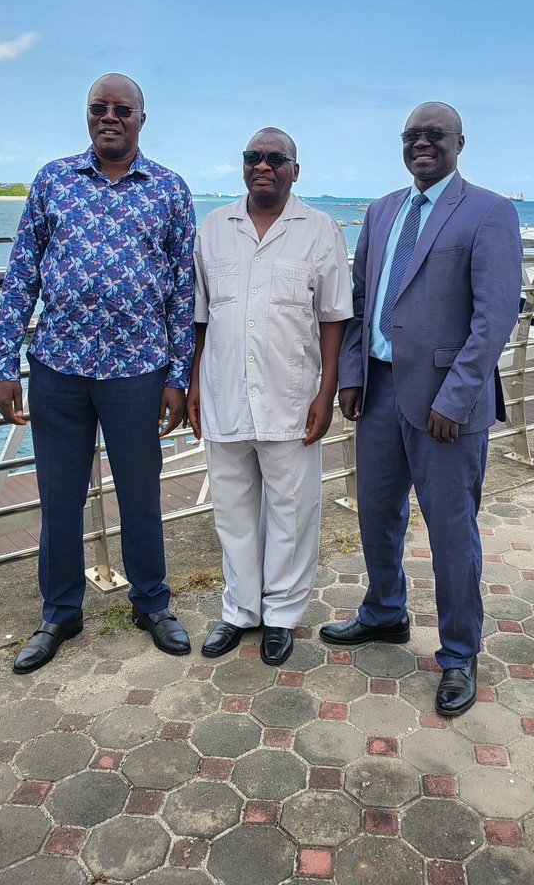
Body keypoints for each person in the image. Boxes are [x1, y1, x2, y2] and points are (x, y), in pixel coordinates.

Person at [319, 102, 522, 717]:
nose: (422, 144)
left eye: (435, 135)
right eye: (412, 136)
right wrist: (351, 375)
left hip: (445, 407)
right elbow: (359, 299)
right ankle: (385, 611)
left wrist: (456, 397)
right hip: (379, 392)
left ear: (461, 142)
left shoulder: (489, 211)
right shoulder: (382, 211)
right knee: (377, 514)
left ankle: (459, 653)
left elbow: (495, 318)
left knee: (451, 530)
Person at [0, 73, 195, 673]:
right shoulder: (54, 179)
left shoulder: (169, 190)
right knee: (59, 498)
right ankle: (59, 612)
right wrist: (4, 362)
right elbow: (21, 273)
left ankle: (152, 604)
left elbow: (184, 292)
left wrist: (177, 377)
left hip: (138, 372)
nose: (111, 117)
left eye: (123, 109)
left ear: (141, 119)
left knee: (140, 495)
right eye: (99, 108)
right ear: (87, 116)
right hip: (58, 368)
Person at [187, 128, 353, 666]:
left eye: (275, 159)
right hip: (223, 394)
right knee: (232, 512)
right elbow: (200, 317)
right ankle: (240, 611)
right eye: (253, 157)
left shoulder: (321, 231)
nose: (263, 165)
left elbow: (332, 318)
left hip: (292, 395)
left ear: (295, 170)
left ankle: (281, 613)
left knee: (293, 511)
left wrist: (325, 391)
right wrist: (192, 383)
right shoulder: (214, 228)